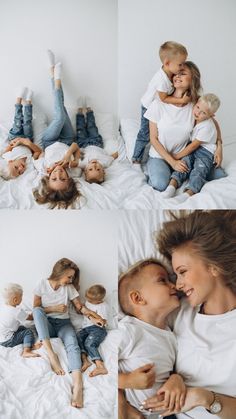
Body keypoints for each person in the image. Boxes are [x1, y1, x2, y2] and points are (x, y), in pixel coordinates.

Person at [143, 211, 236, 419]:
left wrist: (206, 398)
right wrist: (176, 378)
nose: (177, 284)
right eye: (175, 275)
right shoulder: (179, 313)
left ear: (214, 267)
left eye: (183, 272)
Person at [118, 258, 186, 419]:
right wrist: (126, 381)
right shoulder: (128, 330)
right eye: (162, 280)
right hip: (135, 412)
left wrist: (176, 378)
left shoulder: (170, 335)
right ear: (138, 298)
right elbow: (100, 366)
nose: (174, 285)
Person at [32, 258, 104, 408]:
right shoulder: (41, 284)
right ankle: (52, 355)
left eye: (72, 277)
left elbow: (80, 307)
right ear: (59, 273)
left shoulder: (69, 288)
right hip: (48, 324)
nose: (71, 280)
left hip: (64, 324)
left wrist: (94, 317)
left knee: (73, 345)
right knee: (38, 311)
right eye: (69, 276)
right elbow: (34, 311)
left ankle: (78, 386)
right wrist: (53, 309)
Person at [145, 62, 226, 192]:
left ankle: (183, 174)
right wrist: (172, 162)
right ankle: (153, 168)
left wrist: (219, 146)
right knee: (161, 184)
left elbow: (212, 122)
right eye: (176, 74)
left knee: (220, 176)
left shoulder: (195, 104)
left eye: (182, 74)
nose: (177, 76)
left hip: (185, 156)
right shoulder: (159, 103)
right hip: (161, 156)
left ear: (192, 79)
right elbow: (153, 139)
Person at [33, 50, 82, 208]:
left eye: (54, 178)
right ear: (69, 180)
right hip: (68, 139)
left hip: (50, 140)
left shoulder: (43, 168)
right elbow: (75, 147)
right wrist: (68, 155)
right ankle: (52, 73)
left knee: (60, 116)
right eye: (62, 178)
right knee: (61, 110)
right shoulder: (73, 170)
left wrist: (43, 155)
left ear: (48, 177)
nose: (58, 174)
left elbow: (38, 154)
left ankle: (55, 76)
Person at [132, 41, 188, 164]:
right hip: (148, 107)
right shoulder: (161, 79)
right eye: (180, 64)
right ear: (167, 63)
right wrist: (181, 100)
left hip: (157, 107)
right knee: (144, 134)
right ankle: (136, 159)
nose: (183, 67)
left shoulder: (171, 73)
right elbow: (163, 98)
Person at [161, 94, 223, 203]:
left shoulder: (207, 126)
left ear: (211, 116)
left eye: (203, 112)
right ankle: (171, 186)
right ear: (196, 103)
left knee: (199, 171)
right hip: (193, 147)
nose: (198, 113)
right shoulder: (192, 111)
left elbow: (194, 145)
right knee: (184, 164)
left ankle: (188, 193)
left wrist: (176, 156)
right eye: (198, 107)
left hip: (205, 152)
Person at [0, 88, 42, 180]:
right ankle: (28, 102)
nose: (21, 168)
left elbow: (9, 147)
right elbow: (38, 151)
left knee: (18, 121)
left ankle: (18, 101)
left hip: (15, 137)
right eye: (20, 172)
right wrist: (29, 144)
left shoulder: (9, 157)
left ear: (10, 162)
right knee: (27, 122)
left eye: (16, 167)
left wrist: (16, 142)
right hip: (27, 138)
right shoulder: (30, 162)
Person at [76, 97, 118, 184]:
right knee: (92, 127)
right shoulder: (105, 162)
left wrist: (78, 152)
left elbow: (75, 161)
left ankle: (79, 111)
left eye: (91, 169)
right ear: (103, 171)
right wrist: (119, 152)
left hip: (83, 144)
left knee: (80, 128)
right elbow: (113, 156)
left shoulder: (83, 164)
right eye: (98, 169)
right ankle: (89, 110)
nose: (94, 165)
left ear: (85, 171)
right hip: (96, 142)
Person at [0, 283, 41, 357]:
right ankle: (27, 351)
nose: (22, 299)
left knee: (22, 327)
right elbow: (31, 317)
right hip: (8, 340)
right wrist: (36, 310)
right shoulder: (17, 312)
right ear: (15, 300)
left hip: (2, 338)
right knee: (28, 332)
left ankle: (29, 344)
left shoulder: (3, 307)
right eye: (21, 297)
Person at [77, 284, 108, 376]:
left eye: (90, 300)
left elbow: (102, 321)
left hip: (98, 329)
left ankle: (100, 366)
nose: (88, 301)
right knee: (78, 337)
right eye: (87, 298)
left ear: (99, 301)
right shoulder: (87, 302)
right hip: (86, 328)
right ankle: (85, 361)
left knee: (89, 343)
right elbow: (83, 310)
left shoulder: (104, 306)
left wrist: (90, 313)